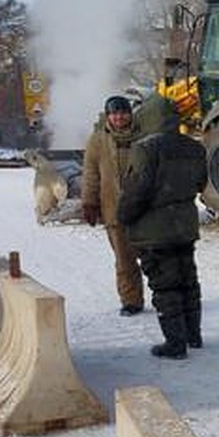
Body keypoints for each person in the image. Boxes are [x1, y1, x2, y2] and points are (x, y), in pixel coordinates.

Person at [116, 93, 208, 359]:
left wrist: (124, 216)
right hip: (185, 226)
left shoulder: (145, 148)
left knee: (165, 285)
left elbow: (137, 191)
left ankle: (175, 344)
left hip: (154, 231)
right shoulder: (193, 147)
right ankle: (194, 335)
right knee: (188, 280)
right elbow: (201, 183)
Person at [82, 95, 147, 315]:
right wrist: (89, 202)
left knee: (154, 256)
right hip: (113, 209)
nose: (119, 117)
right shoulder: (97, 141)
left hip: (144, 208)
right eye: (114, 113)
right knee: (124, 259)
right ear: (108, 116)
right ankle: (131, 300)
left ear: (130, 114)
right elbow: (91, 174)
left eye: (123, 112)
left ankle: (165, 296)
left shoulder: (144, 136)